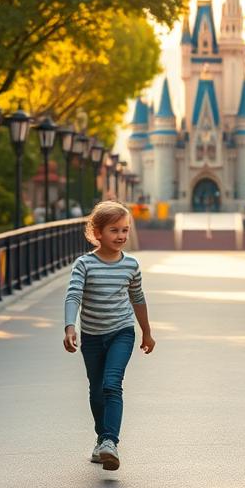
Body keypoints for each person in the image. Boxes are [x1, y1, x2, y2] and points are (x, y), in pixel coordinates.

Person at [63, 201, 155, 471]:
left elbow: (137, 298)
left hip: (121, 332)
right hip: (91, 336)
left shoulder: (131, 265)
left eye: (125, 230)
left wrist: (146, 332)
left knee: (112, 384)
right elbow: (73, 295)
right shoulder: (84, 264)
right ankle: (101, 438)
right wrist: (70, 326)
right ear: (97, 232)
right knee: (96, 388)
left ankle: (110, 442)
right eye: (114, 230)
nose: (121, 236)